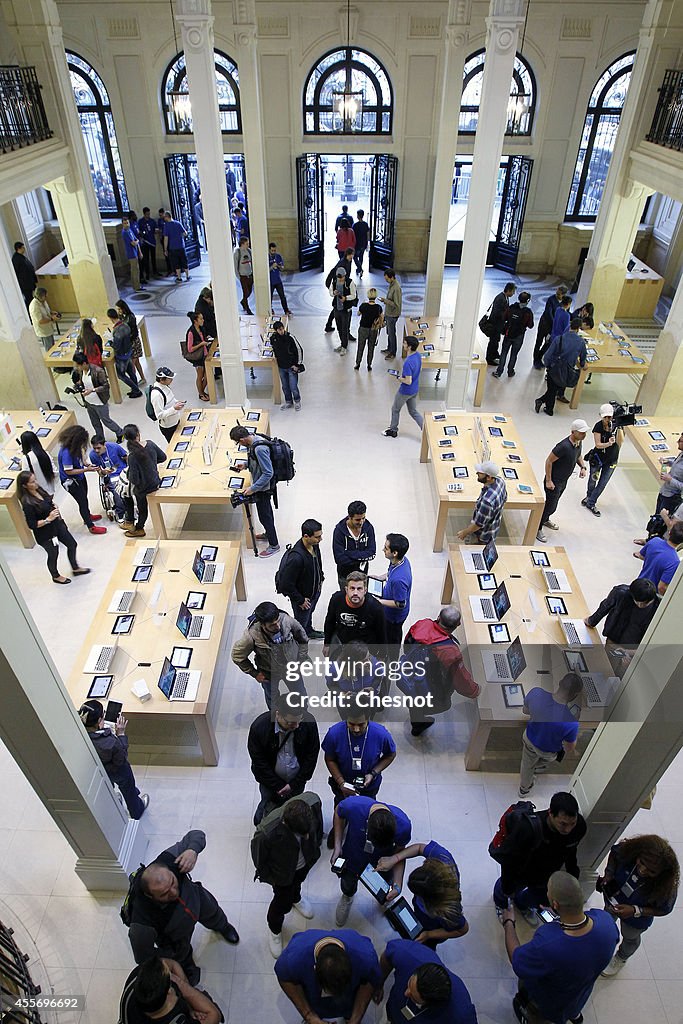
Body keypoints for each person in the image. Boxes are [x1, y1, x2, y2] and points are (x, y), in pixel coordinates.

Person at [502, 871, 618, 1024]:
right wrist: (560, 920)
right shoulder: (606, 922)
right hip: (580, 992)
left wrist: (509, 923)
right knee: (573, 1006)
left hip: (549, 1005)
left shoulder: (547, 943)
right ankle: (575, 1016)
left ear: (555, 904)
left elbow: (517, 960)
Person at [126, 830, 239, 985]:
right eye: (164, 894)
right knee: (183, 959)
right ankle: (189, 975)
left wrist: (192, 851)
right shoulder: (142, 921)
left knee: (213, 913)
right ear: (150, 896)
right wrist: (169, 955)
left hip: (198, 900)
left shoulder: (168, 860)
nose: (174, 893)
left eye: (173, 882)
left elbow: (196, 834)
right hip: (175, 938)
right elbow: (142, 956)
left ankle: (223, 927)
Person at [492, 791, 587, 924]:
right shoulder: (527, 828)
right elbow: (509, 861)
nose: (568, 830)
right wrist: (508, 887)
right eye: (563, 824)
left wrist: (573, 873)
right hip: (523, 871)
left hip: (548, 875)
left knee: (536, 897)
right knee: (505, 889)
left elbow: (571, 849)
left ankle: (522, 905)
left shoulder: (580, 827)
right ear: (550, 813)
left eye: (572, 823)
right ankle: (501, 903)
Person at [598, 834, 679, 976]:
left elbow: (664, 909)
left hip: (636, 918)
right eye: (641, 863)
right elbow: (615, 853)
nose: (642, 870)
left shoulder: (665, 888)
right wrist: (609, 874)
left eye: (651, 871)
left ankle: (621, 957)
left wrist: (636, 910)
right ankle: (600, 946)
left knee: (630, 937)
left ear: (662, 873)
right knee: (605, 925)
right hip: (613, 899)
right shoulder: (628, 853)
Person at [256, 796, 323, 958]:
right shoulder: (266, 833)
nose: (306, 836)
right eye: (302, 834)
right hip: (282, 874)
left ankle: (296, 898)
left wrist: (314, 851)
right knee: (280, 903)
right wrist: (274, 880)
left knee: (297, 884)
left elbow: (318, 831)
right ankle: (274, 929)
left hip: (303, 864)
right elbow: (260, 862)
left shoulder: (313, 802)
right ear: (286, 824)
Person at [331, 794, 412, 925]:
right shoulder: (354, 806)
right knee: (348, 882)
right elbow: (338, 812)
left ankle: (386, 901)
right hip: (353, 858)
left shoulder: (403, 826)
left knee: (385, 887)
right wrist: (337, 845)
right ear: (367, 824)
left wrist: (397, 885)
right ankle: (348, 896)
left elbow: (400, 853)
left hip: (383, 865)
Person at [399, 606, 481, 735]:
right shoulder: (449, 652)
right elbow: (460, 680)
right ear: (458, 625)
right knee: (438, 704)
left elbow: (407, 644)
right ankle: (417, 724)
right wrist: (475, 690)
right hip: (430, 688)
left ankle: (416, 717)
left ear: (438, 618)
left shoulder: (422, 624)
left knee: (414, 698)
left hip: (411, 674)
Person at [274, 928, 382, 1024]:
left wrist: (355, 1019)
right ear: (314, 969)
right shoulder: (293, 959)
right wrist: (309, 1015)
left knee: (349, 1010)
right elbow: (284, 978)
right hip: (315, 1001)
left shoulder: (365, 957)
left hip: (349, 1002)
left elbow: (370, 981)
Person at [378, 841, 469, 948]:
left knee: (422, 945)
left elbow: (462, 929)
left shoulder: (448, 910)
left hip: (433, 927)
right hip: (423, 912)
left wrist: (429, 935)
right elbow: (419, 848)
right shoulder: (441, 858)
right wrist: (395, 858)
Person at [247, 696, 320, 824]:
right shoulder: (260, 727)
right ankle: (262, 821)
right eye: (290, 723)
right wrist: (278, 785)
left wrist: (294, 783)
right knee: (268, 802)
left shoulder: (308, 722)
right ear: (278, 715)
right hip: (269, 782)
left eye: (299, 721)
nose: (296, 726)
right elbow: (259, 762)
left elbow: (311, 755)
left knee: (294, 806)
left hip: (296, 780)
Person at [322, 699, 397, 821]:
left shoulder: (381, 734)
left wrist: (373, 773)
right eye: (351, 724)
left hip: (369, 787)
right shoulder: (334, 734)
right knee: (341, 810)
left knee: (366, 813)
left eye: (361, 725)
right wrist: (341, 782)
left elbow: (390, 755)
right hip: (343, 786)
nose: (356, 729)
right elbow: (329, 759)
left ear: (368, 719)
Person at [231, 601, 309, 709]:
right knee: (272, 699)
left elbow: (303, 638)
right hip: (269, 673)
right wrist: (255, 673)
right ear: (262, 624)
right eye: (272, 625)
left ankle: (302, 713)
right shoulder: (251, 635)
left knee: (300, 694)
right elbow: (237, 656)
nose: (277, 626)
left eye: (277, 621)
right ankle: (276, 719)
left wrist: (301, 659)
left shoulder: (286, 620)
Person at [78, 699, 148, 818]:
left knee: (108, 789)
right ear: (99, 721)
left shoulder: (79, 734)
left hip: (101, 771)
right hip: (119, 770)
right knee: (128, 789)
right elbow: (122, 756)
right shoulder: (110, 742)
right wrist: (120, 734)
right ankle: (136, 810)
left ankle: (116, 801)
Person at [380, 940, 477, 1024]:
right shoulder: (409, 954)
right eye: (409, 983)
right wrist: (379, 983)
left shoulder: (461, 1015)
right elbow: (387, 956)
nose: (406, 993)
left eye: (414, 997)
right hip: (395, 1009)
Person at [17, 471, 88, 583]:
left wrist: (54, 509)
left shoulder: (39, 490)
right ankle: (55, 576)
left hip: (57, 525)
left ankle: (75, 568)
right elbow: (32, 525)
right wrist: (48, 519)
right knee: (53, 554)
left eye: (35, 480)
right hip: (46, 534)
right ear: (25, 486)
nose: (36, 483)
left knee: (72, 544)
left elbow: (49, 501)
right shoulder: (27, 503)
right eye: (32, 482)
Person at [518, 674, 583, 797]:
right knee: (548, 758)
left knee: (527, 763)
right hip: (547, 751)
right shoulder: (570, 721)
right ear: (575, 695)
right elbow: (569, 748)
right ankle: (538, 766)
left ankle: (524, 789)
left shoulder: (536, 693)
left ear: (559, 682)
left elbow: (525, 711)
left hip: (529, 738)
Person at [119, 955, 222, 1024]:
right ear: (169, 990)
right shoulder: (178, 1021)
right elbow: (214, 1015)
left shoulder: (138, 977)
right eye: (170, 975)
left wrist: (190, 1007)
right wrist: (182, 984)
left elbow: (171, 964)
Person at [228, 425, 280, 556]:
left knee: (265, 516)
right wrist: (245, 465)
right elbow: (257, 462)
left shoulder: (259, 449)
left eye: (237, 442)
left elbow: (268, 473)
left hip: (263, 488)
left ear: (242, 439)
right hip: (260, 486)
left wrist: (253, 488)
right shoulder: (254, 440)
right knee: (265, 514)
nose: (238, 444)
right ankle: (268, 534)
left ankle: (274, 545)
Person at [584, 578, 658, 670]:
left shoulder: (658, 609)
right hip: (614, 640)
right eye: (637, 601)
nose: (640, 605)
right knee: (606, 666)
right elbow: (605, 607)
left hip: (634, 647)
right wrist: (591, 621)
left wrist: (630, 652)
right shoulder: (620, 593)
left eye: (644, 603)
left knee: (622, 672)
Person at [536, 420, 588, 543]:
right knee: (551, 506)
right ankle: (537, 527)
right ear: (573, 432)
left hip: (563, 481)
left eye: (584, 433)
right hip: (554, 482)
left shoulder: (578, 442)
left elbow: (578, 455)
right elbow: (549, 461)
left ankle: (545, 518)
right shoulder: (563, 446)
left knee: (552, 504)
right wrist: (549, 480)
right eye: (581, 433)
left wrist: (583, 466)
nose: (584, 435)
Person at [276, 519, 325, 635]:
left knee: (309, 614)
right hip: (303, 600)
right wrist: (300, 600)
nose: (320, 539)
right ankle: (300, 645)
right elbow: (285, 585)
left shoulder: (314, 545)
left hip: (314, 592)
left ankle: (308, 630)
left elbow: (318, 562)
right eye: (317, 537)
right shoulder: (296, 558)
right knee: (300, 625)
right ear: (306, 536)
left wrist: (321, 577)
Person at [57, 423, 107, 534]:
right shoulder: (66, 452)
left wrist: (87, 465)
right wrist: (86, 470)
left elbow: (81, 460)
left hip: (79, 477)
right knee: (82, 502)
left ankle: (87, 516)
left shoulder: (75, 447)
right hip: (71, 482)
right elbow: (68, 470)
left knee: (85, 497)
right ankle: (90, 526)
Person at [323, 572, 388, 657]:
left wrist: (382, 655)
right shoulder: (336, 600)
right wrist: (327, 644)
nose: (355, 593)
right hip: (342, 645)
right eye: (352, 588)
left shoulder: (375, 607)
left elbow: (381, 633)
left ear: (365, 590)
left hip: (366, 650)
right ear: (346, 590)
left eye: (359, 589)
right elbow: (329, 622)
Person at [120, 423, 167, 538]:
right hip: (155, 481)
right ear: (138, 434)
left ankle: (137, 527)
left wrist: (128, 474)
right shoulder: (150, 444)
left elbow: (134, 479)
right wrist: (151, 465)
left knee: (128, 497)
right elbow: (163, 457)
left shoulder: (132, 456)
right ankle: (131, 522)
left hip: (144, 488)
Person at [535, 317, 587, 416]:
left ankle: (545, 406)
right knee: (554, 389)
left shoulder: (560, 339)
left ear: (570, 326)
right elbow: (583, 358)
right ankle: (545, 406)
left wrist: (548, 366)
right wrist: (583, 365)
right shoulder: (581, 342)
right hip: (567, 371)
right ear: (578, 329)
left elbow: (547, 356)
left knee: (552, 389)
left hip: (554, 368)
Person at [72, 350, 124, 441]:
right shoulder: (81, 372)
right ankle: (100, 439)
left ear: (84, 363)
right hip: (89, 402)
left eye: (78, 365)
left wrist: (92, 390)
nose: (77, 368)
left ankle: (120, 432)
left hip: (100, 401)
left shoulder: (98, 371)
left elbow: (105, 386)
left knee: (106, 421)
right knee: (95, 422)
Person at [582, 403, 624, 516]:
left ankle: (591, 502)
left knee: (603, 483)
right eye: (605, 417)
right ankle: (589, 496)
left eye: (609, 417)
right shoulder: (598, 426)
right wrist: (608, 444)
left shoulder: (617, 426)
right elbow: (598, 444)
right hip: (598, 458)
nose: (607, 419)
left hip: (612, 460)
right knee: (593, 479)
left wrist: (619, 428)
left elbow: (620, 442)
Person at [456, 461, 507, 544]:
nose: (477, 473)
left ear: (489, 477)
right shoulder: (500, 481)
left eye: (481, 473)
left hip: (482, 535)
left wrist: (464, 532)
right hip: (494, 526)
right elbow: (504, 499)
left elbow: (478, 525)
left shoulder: (487, 501)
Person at [374, 533, 412, 646]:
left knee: (392, 639)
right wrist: (381, 577)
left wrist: (379, 601)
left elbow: (400, 603)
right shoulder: (401, 560)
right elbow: (391, 573)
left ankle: (392, 661)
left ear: (394, 553)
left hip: (393, 617)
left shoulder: (399, 580)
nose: (383, 549)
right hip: (388, 604)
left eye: (386, 548)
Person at [383, 336, 423, 438]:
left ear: (409, 347)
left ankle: (393, 430)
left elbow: (408, 381)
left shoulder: (408, 362)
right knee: (413, 411)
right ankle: (426, 429)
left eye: (405, 343)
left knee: (395, 409)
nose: (403, 345)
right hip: (415, 389)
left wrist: (400, 378)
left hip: (406, 391)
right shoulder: (418, 356)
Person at [332, 500, 376, 589]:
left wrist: (349, 553)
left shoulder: (368, 528)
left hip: (362, 576)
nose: (361, 522)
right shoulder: (339, 531)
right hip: (345, 577)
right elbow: (339, 559)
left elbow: (372, 553)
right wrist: (361, 557)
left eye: (363, 518)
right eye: (358, 519)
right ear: (349, 517)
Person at [633, 520, 683, 596]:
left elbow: (642, 555)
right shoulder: (674, 561)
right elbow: (661, 587)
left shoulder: (654, 541)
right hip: (649, 596)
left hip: (638, 584)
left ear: (669, 532)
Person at [493, 291, 534, 378]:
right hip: (519, 336)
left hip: (509, 333)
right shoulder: (528, 312)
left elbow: (504, 317)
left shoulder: (511, 307)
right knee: (514, 354)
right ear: (527, 301)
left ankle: (499, 371)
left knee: (504, 352)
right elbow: (530, 325)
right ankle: (510, 371)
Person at [89, 434, 128, 520]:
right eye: (94, 448)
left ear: (104, 444)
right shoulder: (92, 455)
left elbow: (126, 457)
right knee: (117, 491)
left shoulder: (115, 447)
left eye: (98, 448)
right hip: (111, 477)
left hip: (123, 472)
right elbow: (99, 472)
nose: (96, 450)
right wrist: (103, 472)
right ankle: (121, 514)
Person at [108, 307, 142, 397]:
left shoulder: (117, 331)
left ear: (110, 318)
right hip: (129, 352)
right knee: (131, 372)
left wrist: (110, 342)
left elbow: (116, 346)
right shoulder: (125, 325)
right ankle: (135, 389)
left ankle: (136, 389)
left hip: (121, 356)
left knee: (121, 375)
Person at [533, 285, 568, 369]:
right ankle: (535, 360)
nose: (557, 295)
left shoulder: (564, 302)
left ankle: (540, 357)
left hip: (553, 328)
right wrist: (555, 323)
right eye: (557, 293)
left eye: (559, 294)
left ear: (563, 295)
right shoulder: (551, 299)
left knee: (548, 344)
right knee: (539, 342)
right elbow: (548, 313)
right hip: (545, 324)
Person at [270, 320, 302, 410]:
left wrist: (297, 364)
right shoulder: (273, 338)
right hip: (281, 366)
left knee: (293, 386)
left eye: (282, 329)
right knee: (285, 386)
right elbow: (273, 349)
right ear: (276, 330)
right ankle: (288, 401)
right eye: (279, 330)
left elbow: (299, 350)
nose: (281, 331)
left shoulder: (290, 337)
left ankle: (297, 401)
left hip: (292, 366)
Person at [150, 367, 185, 443]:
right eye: (169, 378)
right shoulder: (156, 395)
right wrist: (174, 408)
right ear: (162, 380)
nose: (172, 380)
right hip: (169, 427)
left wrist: (177, 402)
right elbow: (159, 415)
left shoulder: (165, 386)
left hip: (176, 421)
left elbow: (169, 399)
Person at [324, 249, 355, 334]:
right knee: (338, 307)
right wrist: (335, 289)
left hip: (343, 285)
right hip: (339, 287)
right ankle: (346, 332)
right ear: (347, 255)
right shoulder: (342, 263)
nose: (352, 256)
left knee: (337, 307)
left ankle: (328, 325)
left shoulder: (349, 261)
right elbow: (337, 276)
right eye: (351, 255)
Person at [485, 281, 516, 365]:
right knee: (493, 342)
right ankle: (489, 358)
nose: (513, 294)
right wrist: (506, 316)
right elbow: (496, 313)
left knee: (496, 341)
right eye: (513, 291)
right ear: (509, 290)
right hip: (495, 325)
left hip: (498, 325)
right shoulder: (500, 298)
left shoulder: (504, 297)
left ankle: (494, 354)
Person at [116, 298, 146, 385]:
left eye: (119, 309)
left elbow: (133, 332)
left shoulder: (130, 317)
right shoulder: (123, 317)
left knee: (133, 363)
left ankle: (134, 382)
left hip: (133, 343)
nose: (118, 311)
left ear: (123, 308)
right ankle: (142, 378)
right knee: (136, 362)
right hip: (130, 342)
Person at [654, 430, 683, 515]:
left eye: (680, 441)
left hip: (671, 498)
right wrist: (668, 462)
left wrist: (670, 479)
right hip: (664, 492)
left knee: (661, 523)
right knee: (656, 518)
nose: (677, 442)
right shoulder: (681, 454)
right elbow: (677, 465)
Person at [20, 430, 56, 496]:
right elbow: (54, 471)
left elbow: (25, 476)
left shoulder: (26, 458)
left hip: (39, 491)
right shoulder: (45, 453)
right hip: (50, 488)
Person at [330, 267, 357, 355]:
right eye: (339, 278)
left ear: (345, 275)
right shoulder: (334, 281)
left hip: (346, 309)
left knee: (345, 328)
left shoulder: (350, 282)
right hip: (337, 308)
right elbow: (330, 292)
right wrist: (334, 293)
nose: (340, 279)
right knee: (339, 327)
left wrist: (346, 298)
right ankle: (342, 344)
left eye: (341, 277)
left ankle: (344, 347)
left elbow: (354, 295)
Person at [185, 310, 210, 402]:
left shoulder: (201, 329)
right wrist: (201, 344)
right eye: (201, 319)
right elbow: (190, 349)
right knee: (200, 376)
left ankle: (202, 391)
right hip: (198, 358)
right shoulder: (191, 332)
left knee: (208, 376)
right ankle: (201, 394)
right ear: (195, 321)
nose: (203, 320)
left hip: (205, 355)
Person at [355, 287, 382, 370]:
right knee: (371, 348)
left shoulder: (364, 305)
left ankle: (358, 364)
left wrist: (362, 306)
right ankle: (369, 365)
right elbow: (381, 317)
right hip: (373, 330)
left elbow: (358, 314)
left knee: (360, 347)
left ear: (368, 296)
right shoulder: (378, 307)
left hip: (363, 328)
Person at [379, 268, 402, 359]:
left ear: (391, 277)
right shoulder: (391, 285)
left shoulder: (396, 288)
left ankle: (393, 352)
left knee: (392, 333)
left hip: (393, 314)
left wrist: (385, 301)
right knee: (389, 332)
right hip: (389, 313)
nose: (386, 281)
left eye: (387, 279)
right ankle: (389, 348)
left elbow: (396, 304)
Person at [29, 286, 60, 352]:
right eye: (45, 296)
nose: (46, 297)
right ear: (41, 296)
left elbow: (46, 310)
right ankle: (51, 361)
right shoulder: (34, 306)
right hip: (43, 331)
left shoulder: (43, 301)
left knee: (52, 346)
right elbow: (40, 321)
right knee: (49, 349)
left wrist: (51, 312)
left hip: (49, 328)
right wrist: (52, 319)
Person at [163, 212, 190, 283]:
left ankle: (179, 277)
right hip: (181, 246)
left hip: (173, 247)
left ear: (167, 217)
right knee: (184, 261)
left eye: (164, 217)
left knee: (176, 262)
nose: (164, 218)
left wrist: (165, 249)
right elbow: (185, 233)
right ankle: (187, 276)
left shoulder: (166, 226)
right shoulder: (178, 223)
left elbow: (166, 238)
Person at [12, 241, 37, 307]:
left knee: (31, 298)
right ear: (18, 249)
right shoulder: (16, 259)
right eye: (23, 248)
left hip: (29, 282)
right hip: (25, 284)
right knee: (29, 299)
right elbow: (17, 272)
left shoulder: (21, 257)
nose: (24, 249)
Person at [269, 242, 292, 315]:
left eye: (275, 250)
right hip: (270, 282)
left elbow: (282, 268)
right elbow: (265, 271)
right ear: (269, 250)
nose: (273, 252)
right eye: (272, 250)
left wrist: (278, 266)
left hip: (278, 280)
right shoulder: (267, 257)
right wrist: (272, 267)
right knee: (269, 297)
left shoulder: (278, 256)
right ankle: (270, 309)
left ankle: (286, 310)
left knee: (282, 296)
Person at [233, 235, 254, 314]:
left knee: (249, 292)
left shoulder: (249, 251)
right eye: (246, 243)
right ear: (242, 244)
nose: (248, 245)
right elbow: (235, 266)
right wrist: (239, 277)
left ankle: (243, 301)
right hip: (243, 276)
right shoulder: (237, 253)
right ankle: (247, 308)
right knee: (245, 292)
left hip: (249, 275)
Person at [122, 217, 143, 290]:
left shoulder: (129, 230)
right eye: (125, 223)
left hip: (135, 252)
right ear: (122, 224)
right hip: (131, 254)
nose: (126, 225)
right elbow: (134, 243)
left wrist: (139, 251)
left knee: (135, 270)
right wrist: (137, 242)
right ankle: (137, 287)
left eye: (127, 223)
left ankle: (135, 285)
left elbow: (136, 240)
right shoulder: (125, 233)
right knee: (135, 271)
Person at [138, 207, 158, 281]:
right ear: (144, 214)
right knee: (146, 259)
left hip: (152, 242)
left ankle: (155, 271)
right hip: (145, 243)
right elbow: (139, 231)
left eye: (149, 214)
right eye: (147, 214)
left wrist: (156, 230)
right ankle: (147, 274)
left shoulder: (152, 221)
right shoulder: (140, 221)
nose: (148, 215)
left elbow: (156, 229)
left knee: (153, 258)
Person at [352, 210, 369, 277]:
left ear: (358, 216)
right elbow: (367, 234)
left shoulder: (355, 225)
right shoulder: (365, 224)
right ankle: (359, 269)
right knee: (361, 256)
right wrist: (367, 243)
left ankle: (359, 268)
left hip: (357, 244)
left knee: (355, 257)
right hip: (363, 243)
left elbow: (353, 235)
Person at [157, 208, 172, 277]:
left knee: (172, 254)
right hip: (163, 238)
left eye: (161, 215)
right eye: (160, 215)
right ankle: (169, 269)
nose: (161, 217)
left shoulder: (168, 221)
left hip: (169, 238)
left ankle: (174, 269)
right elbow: (159, 230)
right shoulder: (160, 221)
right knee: (166, 255)